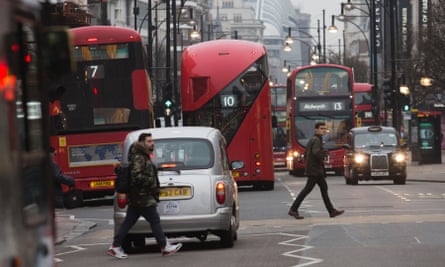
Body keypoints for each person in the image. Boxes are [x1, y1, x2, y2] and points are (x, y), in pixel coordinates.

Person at [107, 133, 182, 259]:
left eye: (152, 141)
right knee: (154, 220)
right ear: (141, 143)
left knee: (129, 222)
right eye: (148, 141)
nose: (151, 143)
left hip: (138, 196)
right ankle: (164, 246)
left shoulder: (142, 156)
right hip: (142, 196)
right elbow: (136, 176)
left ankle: (115, 246)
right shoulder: (139, 157)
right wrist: (151, 181)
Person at [288, 122, 344, 219]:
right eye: (321, 128)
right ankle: (293, 209)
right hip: (315, 171)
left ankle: (331, 211)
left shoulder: (313, 140)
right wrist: (324, 153)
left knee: (323, 190)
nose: (323, 130)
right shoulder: (316, 140)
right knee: (308, 190)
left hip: (315, 170)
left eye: (324, 129)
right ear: (316, 130)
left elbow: (306, 154)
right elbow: (316, 152)